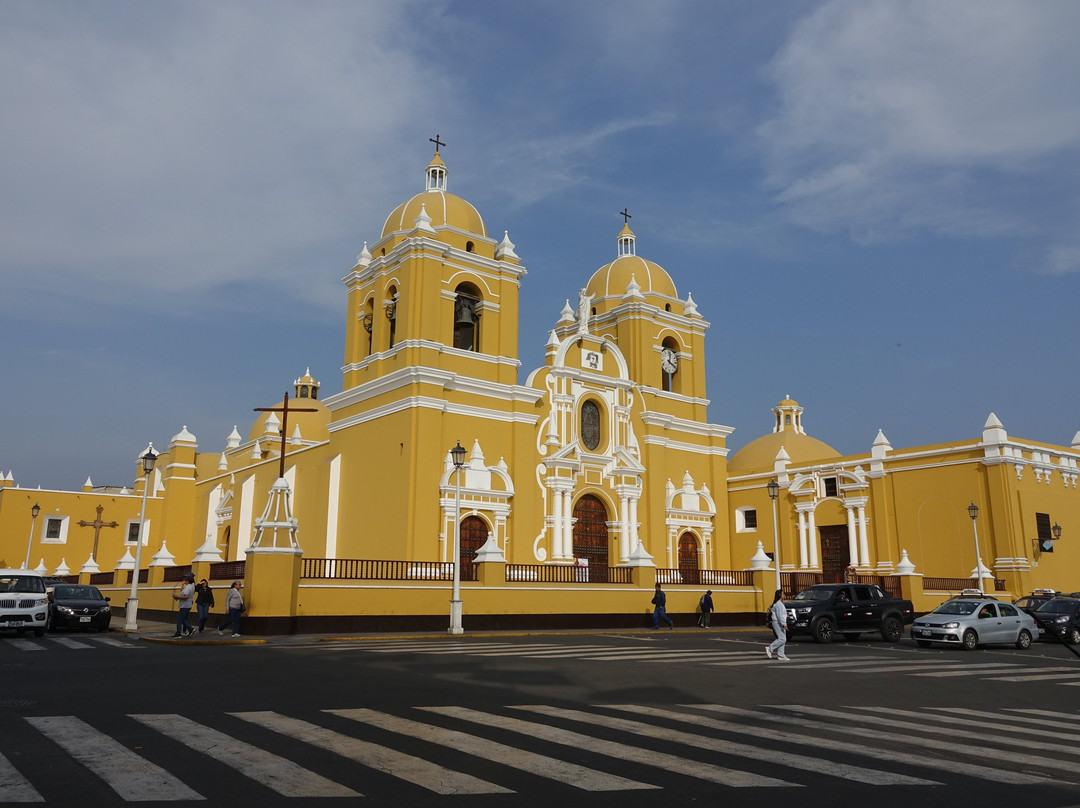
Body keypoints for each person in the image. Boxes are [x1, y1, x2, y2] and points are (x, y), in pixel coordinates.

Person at [765, 589, 790, 660]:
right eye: (783, 594)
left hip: (779, 622)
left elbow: (780, 614)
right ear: (779, 595)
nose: (784, 595)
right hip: (777, 623)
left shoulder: (780, 603)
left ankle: (781, 655)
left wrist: (785, 615)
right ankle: (770, 648)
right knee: (782, 639)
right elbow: (779, 615)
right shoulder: (779, 604)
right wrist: (784, 624)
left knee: (783, 639)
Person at [172, 572, 196, 637]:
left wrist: (177, 597)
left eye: (185, 580)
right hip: (187, 605)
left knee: (180, 619)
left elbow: (186, 596)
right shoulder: (192, 586)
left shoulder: (188, 587)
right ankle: (190, 629)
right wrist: (182, 585)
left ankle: (178, 633)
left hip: (184, 605)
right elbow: (183, 591)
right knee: (184, 619)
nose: (184, 581)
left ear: (188, 580)